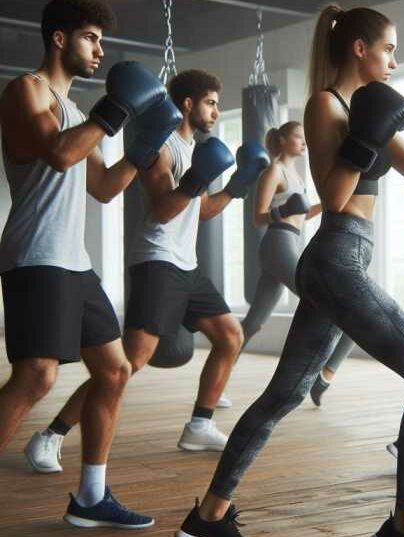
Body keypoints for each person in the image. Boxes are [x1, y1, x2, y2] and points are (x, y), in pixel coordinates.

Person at [176, 5, 404, 537]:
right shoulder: (326, 105)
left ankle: (207, 520)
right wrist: (367, 139)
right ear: (360, 48)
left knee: (284, 394)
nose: (395, 60)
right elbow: (335, 197)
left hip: (343, 260)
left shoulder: (372, 105)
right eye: (388, 49)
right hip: (336, 256)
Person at [25, 69, 248, 470]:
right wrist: (196, 181)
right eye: (211, 102)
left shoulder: (198, 150)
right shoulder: (162, 146)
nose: (216, 111)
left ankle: (199, 423)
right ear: (188, 104)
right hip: (158, 261)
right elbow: (163, 210)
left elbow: (200, 212)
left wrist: (234, 188)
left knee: (231, 335)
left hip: (187, 265)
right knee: (129, 362)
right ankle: (51, 433)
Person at [0, 0, 164, 528]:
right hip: (36, 255)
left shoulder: (77, 112)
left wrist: (143, 151)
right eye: (91, 38)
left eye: (100, 41)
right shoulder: (26, 88)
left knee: (115, 371)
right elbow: (59, 155)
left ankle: (91, 496)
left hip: (74, 260)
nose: (100, 50)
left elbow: (102, 187)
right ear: (58, 39)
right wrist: (113, 113)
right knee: (36, 377)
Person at [236, 120, 356, 408]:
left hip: (291, 242)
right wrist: (284, 210)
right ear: (283, 140)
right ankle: (322, 376)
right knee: (333, 304)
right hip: (277, 243)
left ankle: (219, 371)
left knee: (253, 323)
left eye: (305, 138)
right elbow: (258, 217)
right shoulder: (274, 171)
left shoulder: (296, 176)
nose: (304, 142)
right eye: (298, 137)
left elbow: (302, 215)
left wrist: (327, 204)